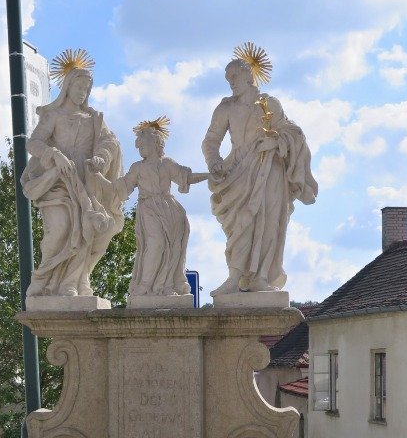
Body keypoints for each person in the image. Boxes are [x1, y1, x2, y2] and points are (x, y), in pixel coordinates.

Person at [202, 46, 318, 296]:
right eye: (228, 79)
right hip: (238, 172)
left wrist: (275, 142)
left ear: (248, 75)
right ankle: (235, 276)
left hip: (269, 170)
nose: (231, 83)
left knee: (268, 221)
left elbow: (294, 133)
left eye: (234, 77)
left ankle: (261, 277)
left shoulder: (269, 104)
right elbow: (210, 141)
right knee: (242, 222)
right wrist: (214, 162)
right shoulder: (225, 108)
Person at [21, 51, 124, 298]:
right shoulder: (53, 115)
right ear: (67, 86)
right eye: (79, 86)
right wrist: (53, 154)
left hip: (85, 182)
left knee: (90, 229)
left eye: (87, 88)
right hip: (57, 180)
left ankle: (73, 282)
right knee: (60, 228)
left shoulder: (94, 118)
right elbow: (33, 143)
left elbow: (110, 142)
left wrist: (102, 157)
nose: (83, 92)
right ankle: (43, 278)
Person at [114, 118, 206, 298]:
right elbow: (122, 186)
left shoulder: (167, 163)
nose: (140, 148)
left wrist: (209, 176)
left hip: (170, 210)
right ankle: (145, 285)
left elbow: (186, 177)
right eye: (138, 146)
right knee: (156, 244)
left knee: (173, 248)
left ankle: (167, 286)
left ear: (155, 142)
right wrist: (98, 180)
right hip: (148, 208)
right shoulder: (137, 167)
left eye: (143, 144)